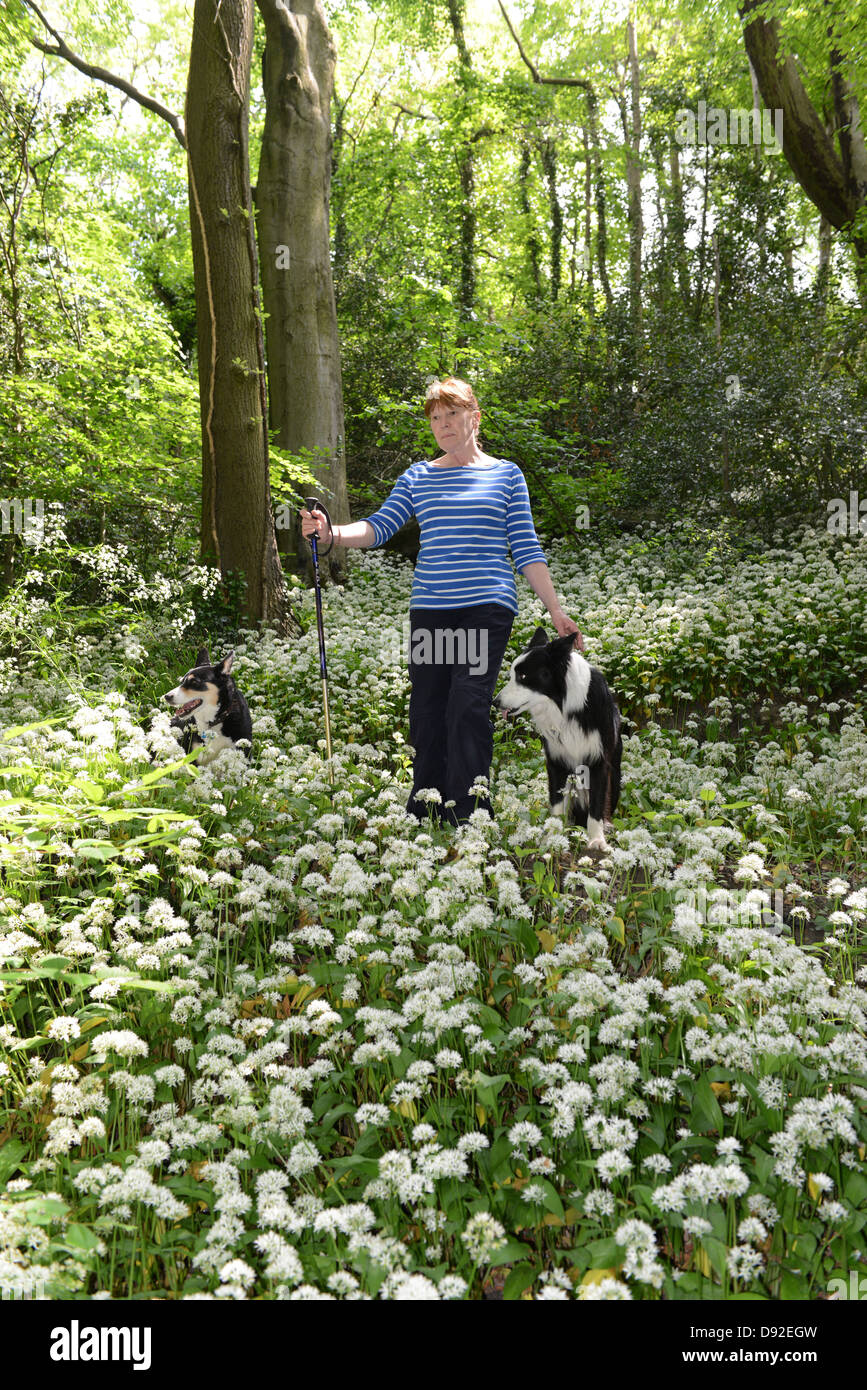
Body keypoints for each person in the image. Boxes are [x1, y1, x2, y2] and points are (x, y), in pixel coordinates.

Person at [300, 377, 582, 826]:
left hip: (486, 606)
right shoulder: (419, 476)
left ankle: (471, 814)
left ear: (475, 416)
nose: (444, 424)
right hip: (431, 609)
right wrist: (331, 533)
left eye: (452, 414)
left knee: (467, 704)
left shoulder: (507, 475)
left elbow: (526, 548)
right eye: (435, 417)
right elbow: (378, 528)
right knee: (428, 709)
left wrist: (556, 611)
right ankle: (427, 807)